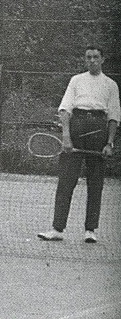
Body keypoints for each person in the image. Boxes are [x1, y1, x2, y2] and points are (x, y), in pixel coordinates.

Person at [38, 44, 119, 244]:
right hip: (76, 129)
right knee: (66, 181)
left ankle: (90, 230)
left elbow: (114, 117)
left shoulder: (111, 85)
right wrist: (66, 136)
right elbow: (65, 110)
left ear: (102, 59)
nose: (91, 60)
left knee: (96, 184)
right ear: (85, 60)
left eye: (95, 57)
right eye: (88, 57)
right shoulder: (76, 80)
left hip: (99, 132)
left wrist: (109, 143)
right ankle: (57, 229)